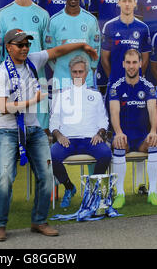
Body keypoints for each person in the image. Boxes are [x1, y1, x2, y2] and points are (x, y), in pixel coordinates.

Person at [0, 28, 98, 242]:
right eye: (20, 45)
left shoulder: (33, 60)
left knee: (47, 175)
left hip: (34, 129)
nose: (25, 48)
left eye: (27, 44)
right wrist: (34, 100)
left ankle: (39, 221)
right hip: (8, 131)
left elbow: (57, 51)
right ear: (9, 47)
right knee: (4, 178)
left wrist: (81, 46)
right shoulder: (1, 73)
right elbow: (3, 107)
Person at [102, 0, 152, 193]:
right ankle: (114, 185)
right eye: (124, 1)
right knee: (115, 136)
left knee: (140, 132)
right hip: (116, 90)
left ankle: (141, 184)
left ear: (134, 4)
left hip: (136, 91)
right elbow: (105, 58)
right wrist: (116, 77)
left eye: (130, 1)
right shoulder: (110, 26)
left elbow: (146, 60)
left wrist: (135, 78)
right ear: (119, 3)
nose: (128, 4)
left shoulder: (142, 28)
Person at [49, 56, 111, 208]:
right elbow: (53, 122)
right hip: (68, 140)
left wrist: (100, 134)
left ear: (87, 73)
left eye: (81, 72)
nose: (77, 75)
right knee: (52, 155)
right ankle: (69, 188)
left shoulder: (95, 95)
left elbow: (104, 121)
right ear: (70, 72)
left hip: (90, 139)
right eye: (75, 72)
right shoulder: (62, 95)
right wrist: (59, 135)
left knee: (105, 153)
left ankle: (93, 191)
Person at [0, 0, 50, 130]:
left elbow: (47, 49)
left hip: (36, 81)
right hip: (12, 82)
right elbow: (0, 52)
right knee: (13, 131)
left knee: (40, 131)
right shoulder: (3, 14)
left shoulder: (42, 14)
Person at [109, 49, 157, 208]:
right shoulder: (115, 87)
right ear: (123, 64)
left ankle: (152, 192)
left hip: (142, 136)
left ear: (140, 63)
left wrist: (153, 131)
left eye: (134, 62)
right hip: (124, 135)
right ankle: (120, 193)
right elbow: (114, 112)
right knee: (118, 144)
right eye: (128, 63)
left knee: (153, 142)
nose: (131, 66)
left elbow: (153, 111)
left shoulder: (148, 87)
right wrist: (118, 133)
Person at [44, 0, 100, 90]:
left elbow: (96, 48)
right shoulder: (54, 21)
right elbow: (49, 50)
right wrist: (59, 69)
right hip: (61, 81)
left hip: (85, 82)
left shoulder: (91, 20)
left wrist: (91, 69)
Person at [88, 0, 129, 93]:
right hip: (103, 44)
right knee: (103, 83)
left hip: (122, 43)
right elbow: (93, 19)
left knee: (123, 80)